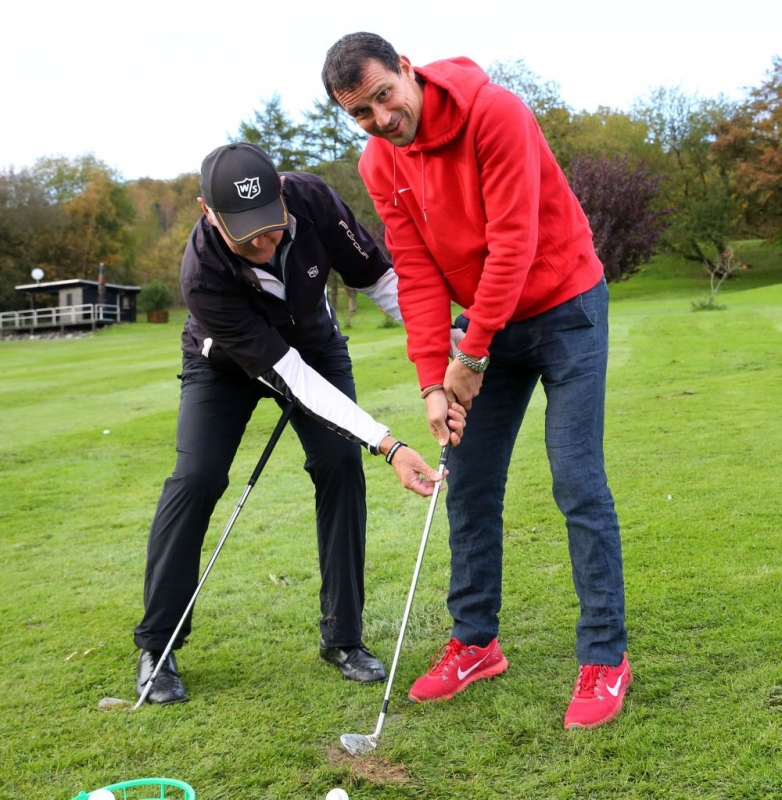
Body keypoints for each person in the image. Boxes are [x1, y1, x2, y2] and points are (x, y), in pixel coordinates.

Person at [322, 33, 631, 730]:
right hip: (486, 323)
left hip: (566, 304)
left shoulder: (497, 113)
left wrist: (472, 355)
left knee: (577, 477)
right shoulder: (380, 163)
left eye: (383, 96)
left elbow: (514, 241)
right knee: (470, 479)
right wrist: (435, 380)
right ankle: (475, 643)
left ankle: (605, 656)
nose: (380, 118)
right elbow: (419, 271)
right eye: (361, 113)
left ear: (407, 70)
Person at [133, 142, 465, 705]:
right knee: (198, 479)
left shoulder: (311, 198)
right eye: (248, 237)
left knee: (338, 465)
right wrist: (388, 444)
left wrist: (452, 342)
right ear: (208, 212)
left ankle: (344, 638)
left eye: (272, 226)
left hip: (315, 346)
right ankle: (158, 647)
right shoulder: (203, 273)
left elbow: (382, 282)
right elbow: (291, 380)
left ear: (282, 196)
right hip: (227, 365)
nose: (265, 244)